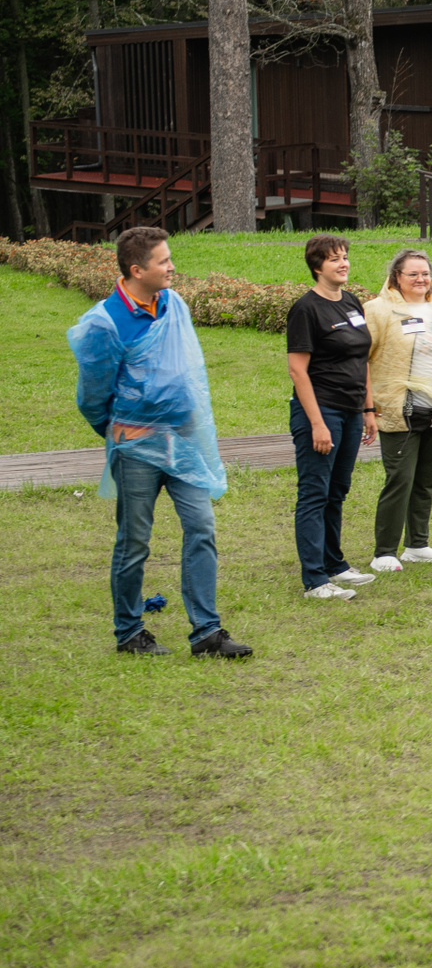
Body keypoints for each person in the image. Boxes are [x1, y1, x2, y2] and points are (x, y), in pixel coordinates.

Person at [68, 227, 250, 657]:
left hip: (183, 442)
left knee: (201, 527)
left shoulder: (173, 304)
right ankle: (129, 632)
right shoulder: (104, 322)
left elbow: (188, 369)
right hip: (135, 448)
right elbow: (92, 397)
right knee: (134, 541)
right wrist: (122, 433)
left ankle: (207, 632)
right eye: (163, 261)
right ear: (137, 270)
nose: (172, 267)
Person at [364, 249, 432, 572]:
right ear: (396, 277)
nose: (421, 279)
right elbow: (360, 359)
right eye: (413, 274)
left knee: (425, 481)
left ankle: (417, 545)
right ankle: (384, 551)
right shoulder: (378, 310)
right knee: (400, 480)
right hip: (398, 410)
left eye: (425, 273)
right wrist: (365, 405)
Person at [287, 234, 377, 600]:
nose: (343, 263)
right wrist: (317, 423)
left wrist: (368, 409)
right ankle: (315, 580)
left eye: (345, 257)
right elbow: (297, 370)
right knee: (315, 492)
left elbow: (361, 358)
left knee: (337, 490)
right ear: (317, 267)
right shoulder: (306, 309)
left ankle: (334, 564)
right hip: (321, 410)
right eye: (334, 259)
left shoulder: (352, 302)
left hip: (352, 410)